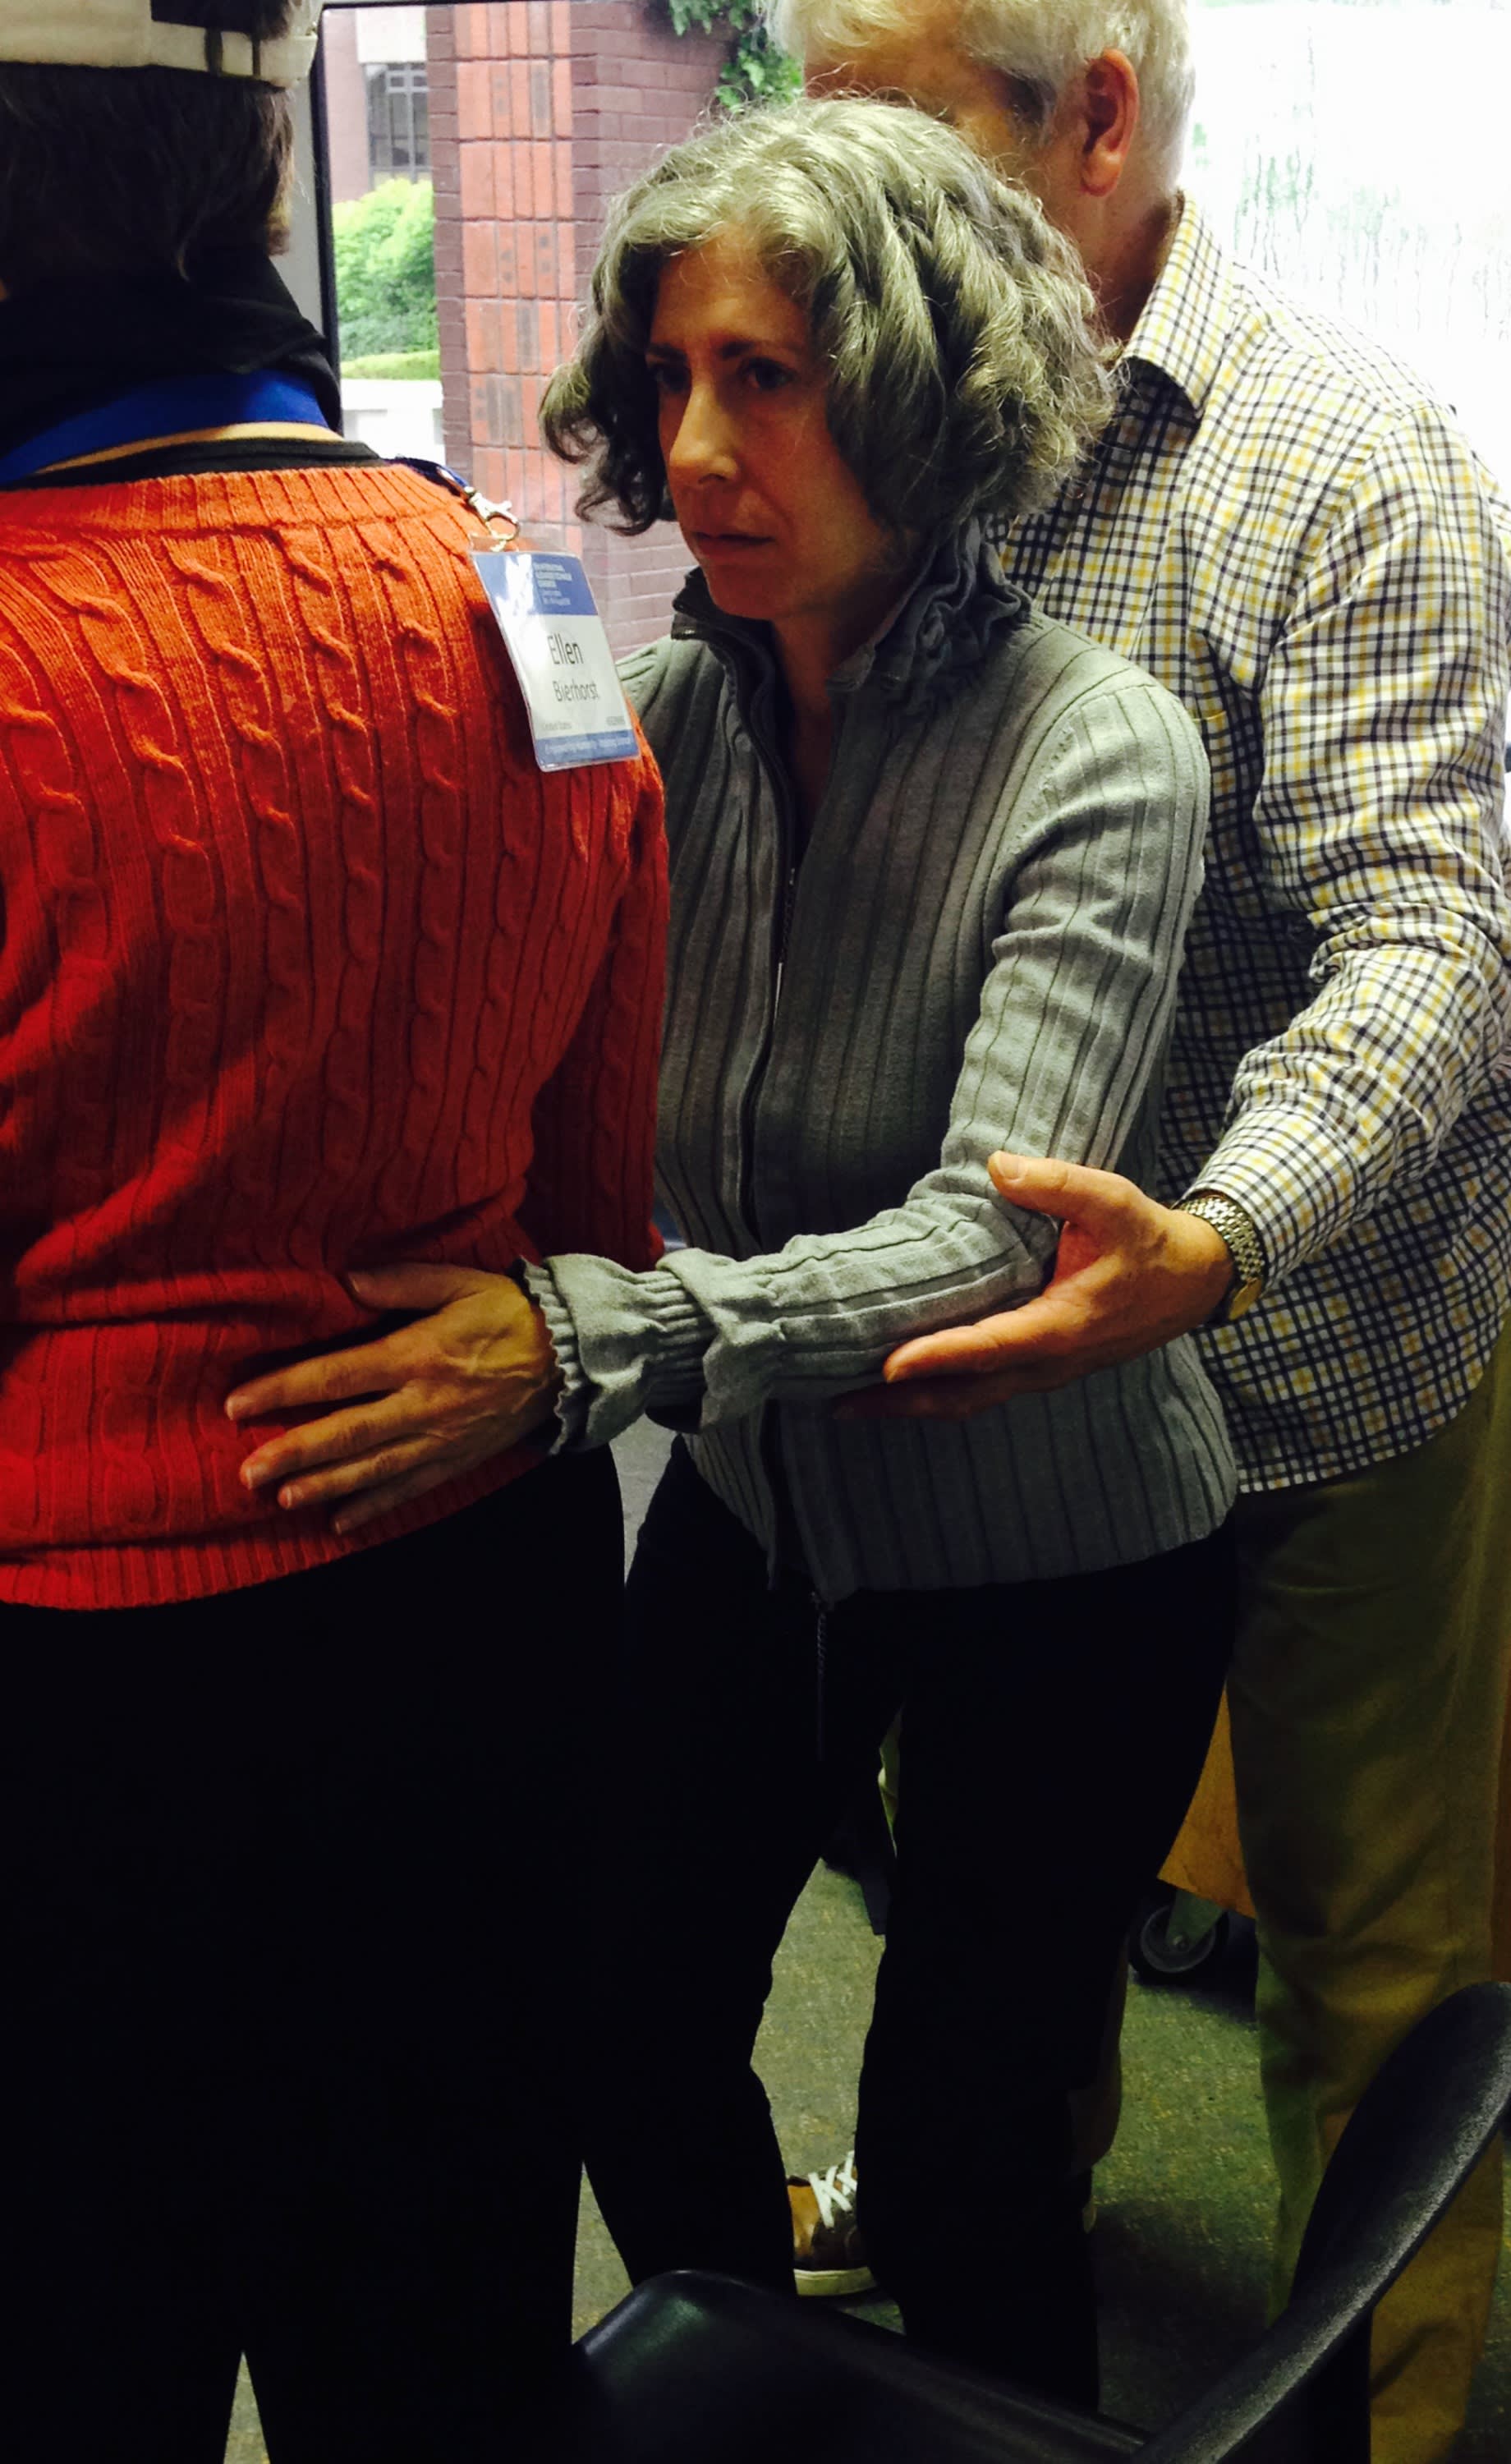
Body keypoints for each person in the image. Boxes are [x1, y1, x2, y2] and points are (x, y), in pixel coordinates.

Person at [231, 95, 1242, 2411]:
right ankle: (758, 2405)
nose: (693, 450)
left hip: (1059, 1553)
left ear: (920, 396)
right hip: (762, 1508)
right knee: (619, 2012)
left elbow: (989, 1241)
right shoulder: (662, 715)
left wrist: (585, 1342)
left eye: (765, 379)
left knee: (963, 2141)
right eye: (670, 376)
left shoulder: (1101, 751)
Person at [753, 5, 1511, 2457]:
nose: (837, 200)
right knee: (1003, 1868)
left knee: (1362, 1930)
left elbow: (1428, 943)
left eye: (900, 133)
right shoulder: (899, 424)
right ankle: (987, 2203)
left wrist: (1215, 1239)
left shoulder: (1342, 459)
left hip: (1336, 1309)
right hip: (1045, 1331)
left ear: (1095, 119)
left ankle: (1378, 2410)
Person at [0, 7, 667, 2457]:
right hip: (480, 1623)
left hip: (74, 1709)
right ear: (257, 182)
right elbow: (594, 1213)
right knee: (445, 2349)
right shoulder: (530, 595)